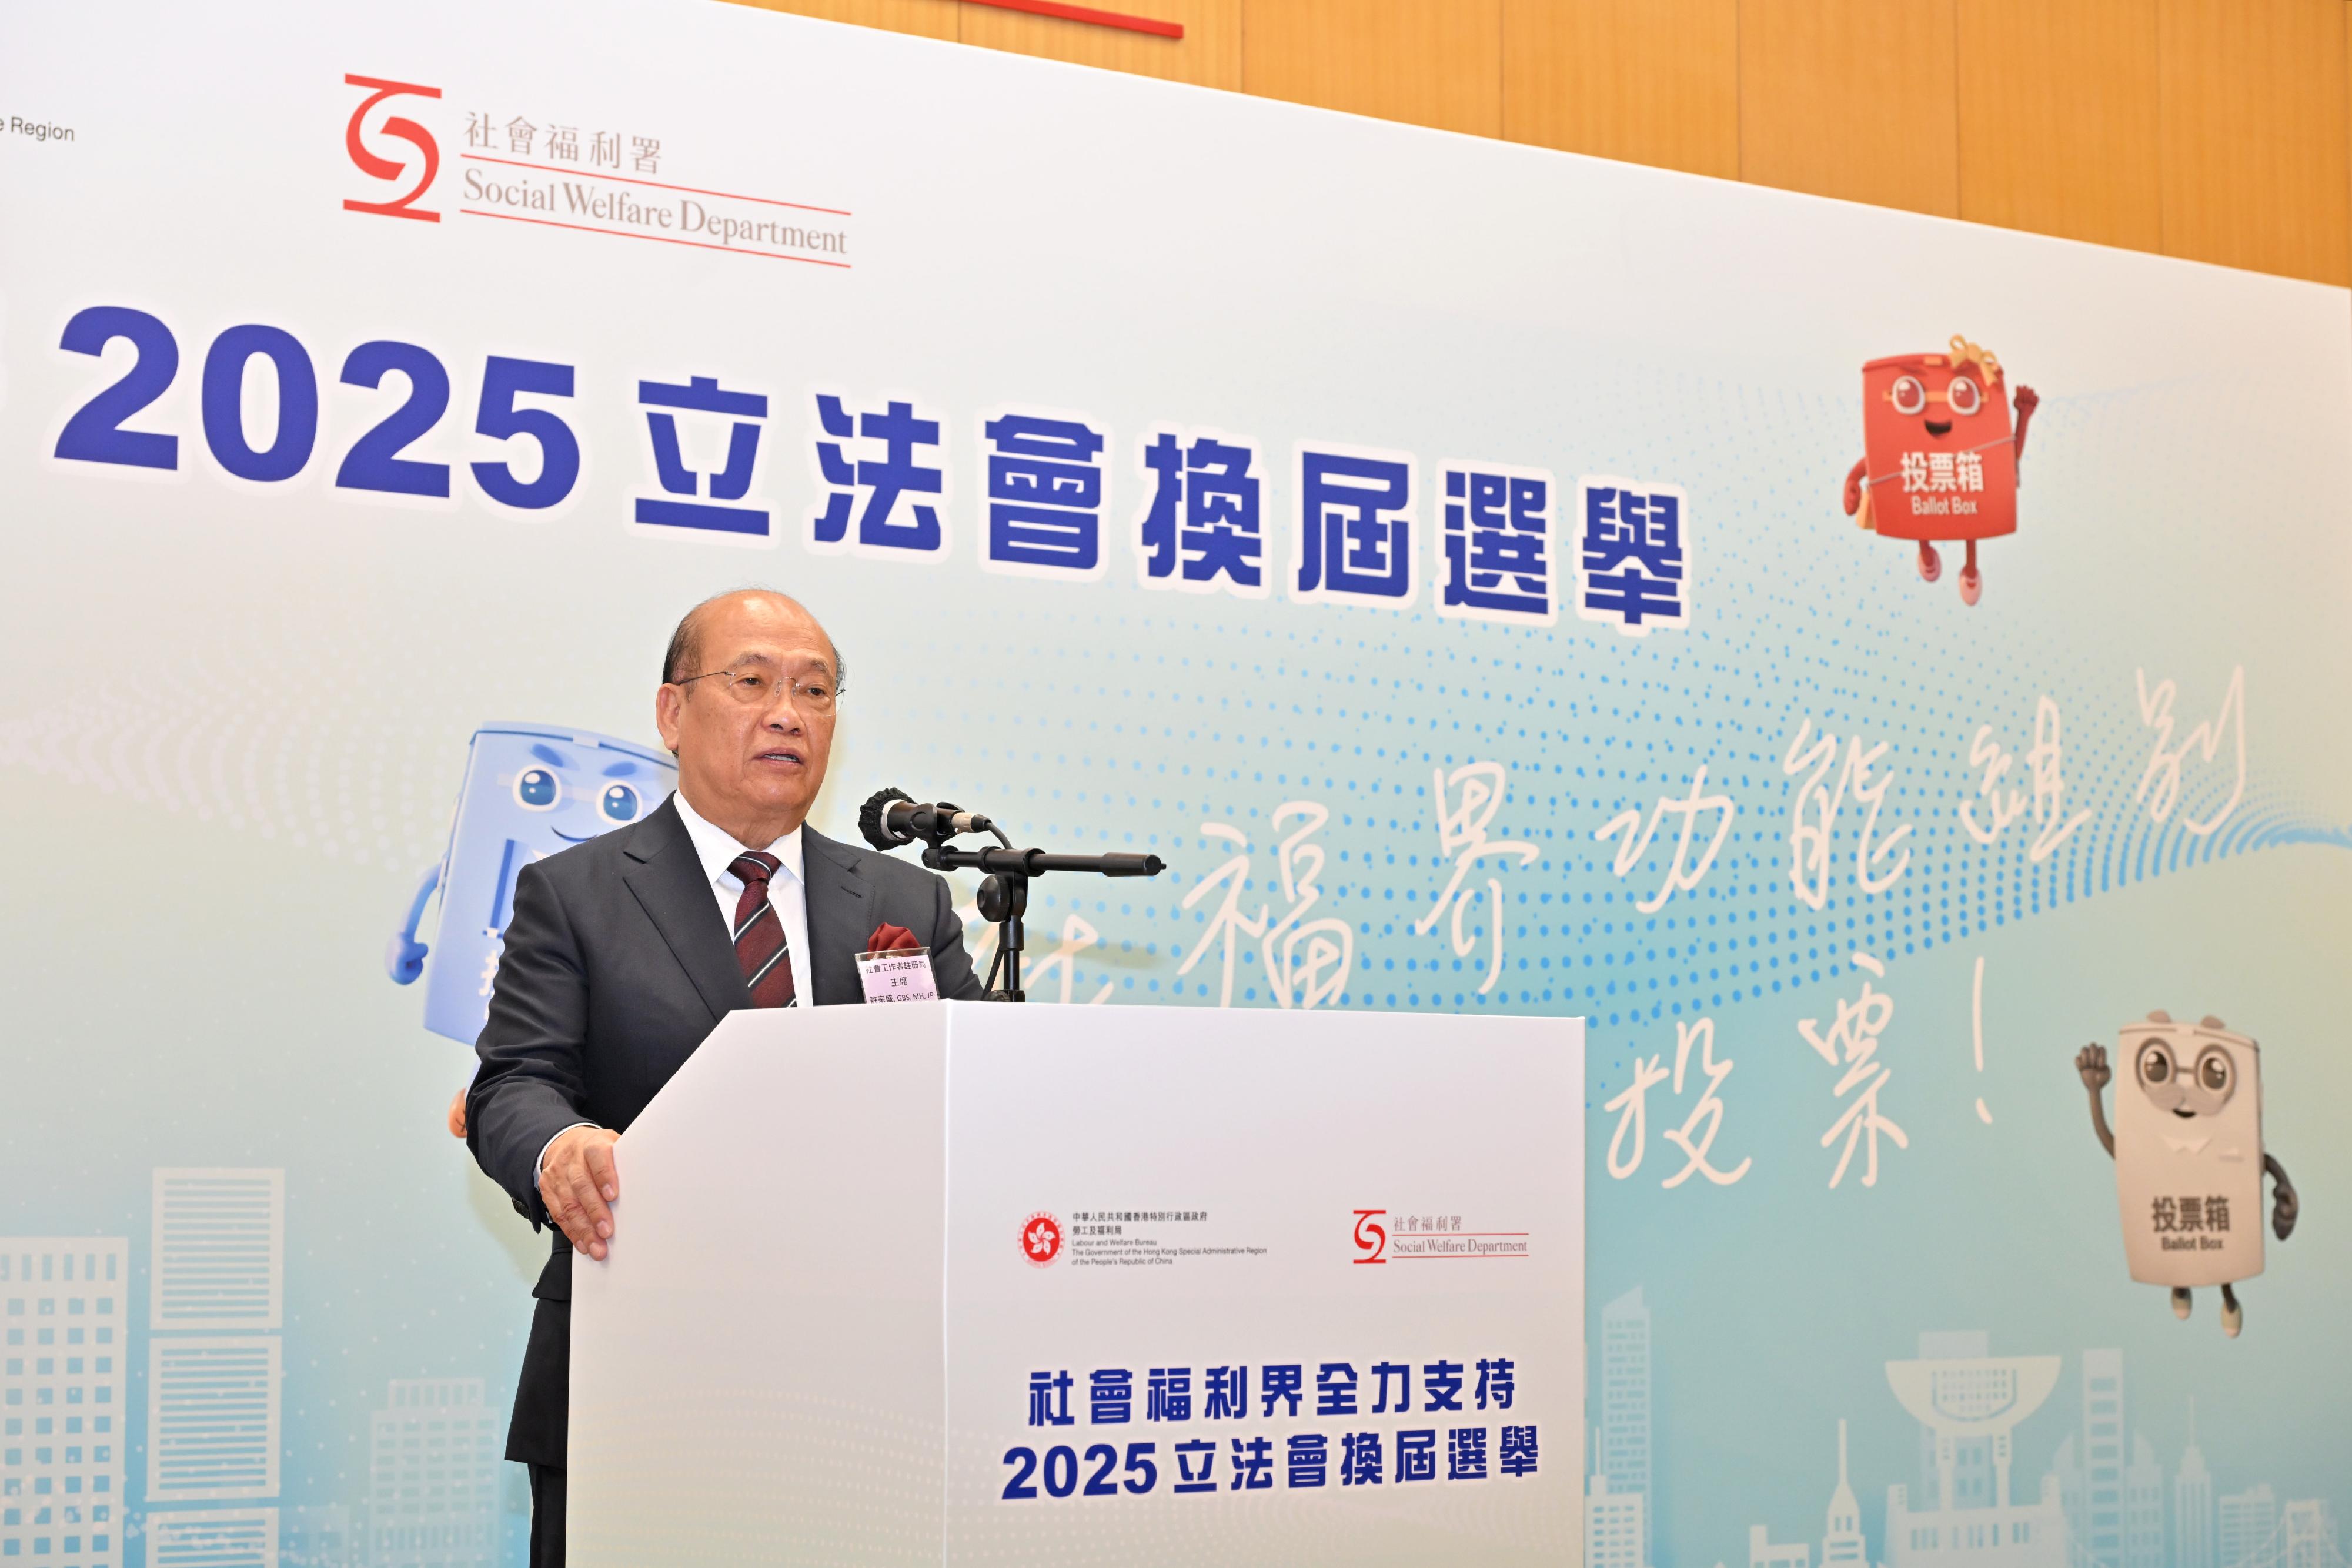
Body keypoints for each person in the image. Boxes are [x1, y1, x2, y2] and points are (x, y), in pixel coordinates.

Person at [465, 589, 984, 1567]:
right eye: (752, 682)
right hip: (638, 1360)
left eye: (816, 691)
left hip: (873, 1379)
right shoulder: (575, 894)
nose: (788, 713)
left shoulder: (906, 898)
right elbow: (513, 1085)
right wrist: (560, 1145)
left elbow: (978, 1096)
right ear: (672, 712)